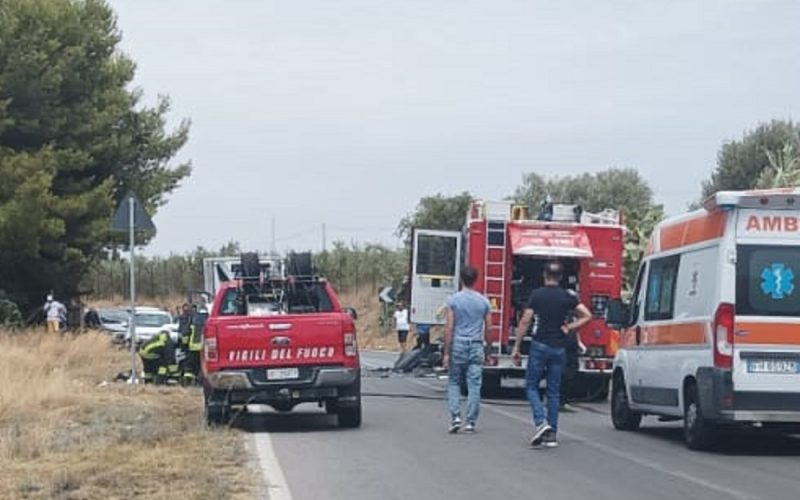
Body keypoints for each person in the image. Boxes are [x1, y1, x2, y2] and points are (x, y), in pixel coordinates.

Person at [512, 262, 592, 448]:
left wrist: (517, 346)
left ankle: (541, 423)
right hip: (559, 348)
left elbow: (525, 321)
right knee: (553, 391)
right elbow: (587, 315)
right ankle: (552, 435)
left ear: (544, 275)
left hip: (540, 345)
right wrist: (569, 327)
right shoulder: (567, 296)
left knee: (531, 386)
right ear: (561, 277)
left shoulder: (537, 295)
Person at [443, 266, 491, 434]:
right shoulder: (484, 301)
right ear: (476, 279)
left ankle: (456, 417)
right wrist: (489, 350)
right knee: (474, 384)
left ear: (461, 279)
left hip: (459, 344)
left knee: (455, 381)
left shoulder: (453, 300)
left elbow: (449, 327)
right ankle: (471, 422)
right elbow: (489, 328)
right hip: (476, 344)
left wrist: (446, 352)